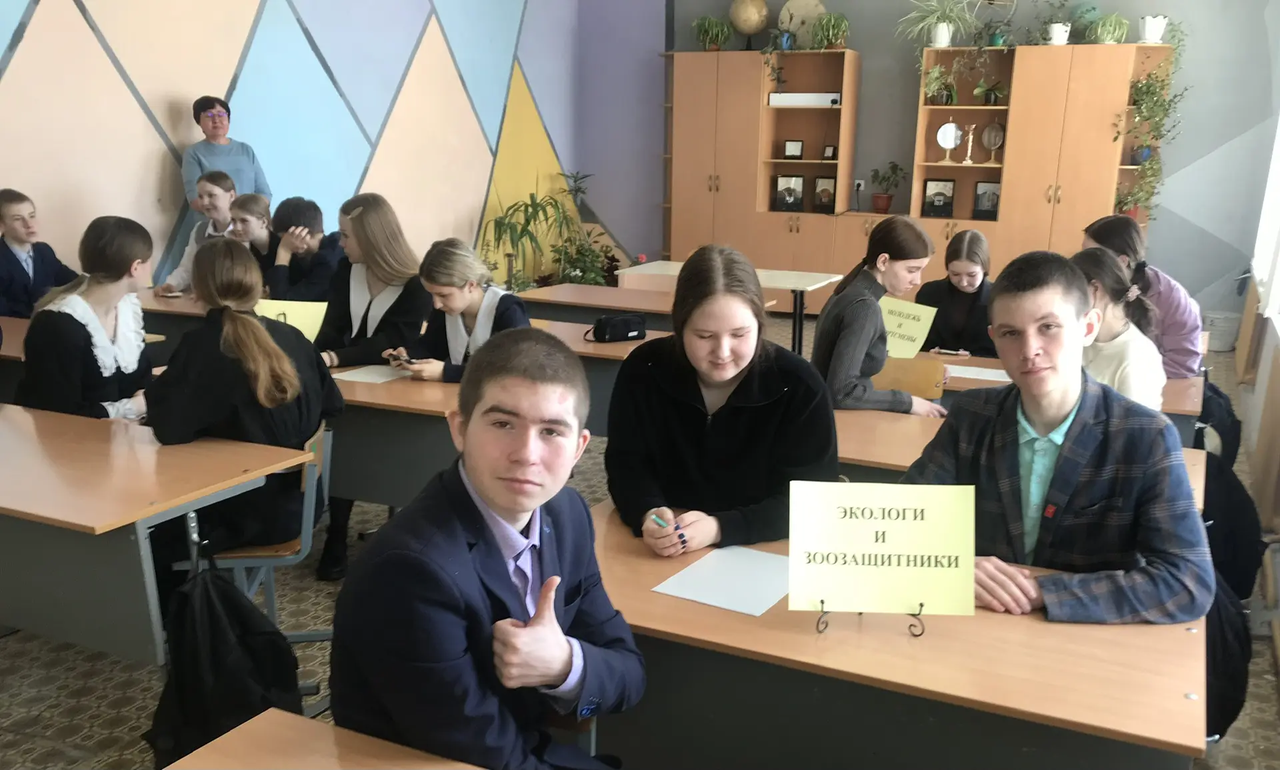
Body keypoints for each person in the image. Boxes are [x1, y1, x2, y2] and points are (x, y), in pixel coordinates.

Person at [330, 327, 645, 770]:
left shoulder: (567, 514)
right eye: (503, 424)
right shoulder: (409, 571)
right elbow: (481, 751)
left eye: (551, 431)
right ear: (459, 429)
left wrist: (563, 666)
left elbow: (630, 675)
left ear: (579, 449)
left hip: (524, 746)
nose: (526, 454)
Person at [903, 251, 1214, 624]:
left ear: (1088, 327)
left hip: (1081, 636)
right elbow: (902, 522)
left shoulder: (1146, 437)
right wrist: (952, 565)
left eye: (1048, 327)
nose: (1029, 350)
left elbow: (1187, 581)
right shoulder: (971, 415)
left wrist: (1042, 592)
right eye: (1010, 333)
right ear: (994, 338)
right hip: (980, 626)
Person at [145, 238, 343, 608]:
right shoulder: (292, 336)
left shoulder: (202, 346)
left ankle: (183, 628)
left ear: (198, 289)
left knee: (145, 533)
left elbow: (168, 430)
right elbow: (333, 404)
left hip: (248, 513)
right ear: (257, 283)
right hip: (303, 503)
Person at [605, 245, 838, 554]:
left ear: (760, 325)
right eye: (704, 336)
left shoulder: (799, 385)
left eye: (739, 334)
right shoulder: (643, 369)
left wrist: (719, 527)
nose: (723, 352)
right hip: (665, 548)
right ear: (680, 327)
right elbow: (626, 464)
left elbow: (811, 500)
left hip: (760, 550)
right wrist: (648, 511)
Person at [314, 193, 431, 581]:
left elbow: (391, 341)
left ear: (372, 236)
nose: (340, 242)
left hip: (395, 384)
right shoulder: (345, 271)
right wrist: (316, 358)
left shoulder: (415, 285)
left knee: (362, 443)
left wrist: (334, 358)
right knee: (343, 440)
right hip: (347, 382)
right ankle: (336, 534)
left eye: (346, 235)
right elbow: (330, 329)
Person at [811, 216, 947, 416]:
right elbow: (843, 393)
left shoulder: (850, 289)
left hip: (830, 412)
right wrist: (907, 402)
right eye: (912, 270)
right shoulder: (865, 307)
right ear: (883, 261)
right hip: (840, 419)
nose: (917, 280)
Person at [15, 217, 151, 418]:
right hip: (69, 435)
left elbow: (140, 380)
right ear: (136, 267)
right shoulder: (57, 324)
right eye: (149, 260)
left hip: (122, 433)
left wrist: (143, 399)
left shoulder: (127, 308)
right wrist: (133, 407)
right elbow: (58, 413)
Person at [383, 237, 530, 382]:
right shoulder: (445, 309)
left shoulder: (508, 309)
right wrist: (408, 356)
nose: (436, 304)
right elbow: (431, 346)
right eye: (431, 295)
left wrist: (446, 373)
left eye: (443, 295)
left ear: (470, 285)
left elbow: (515, 368)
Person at [1084, 215, 1202, 379]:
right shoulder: (1087, 287)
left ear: (1122, 261)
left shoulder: (1171, 297)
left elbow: (1182, 364)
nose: (1085, 261)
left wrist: (1125, 373)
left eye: (1094, 256)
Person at [1071, 246, 1166, 411]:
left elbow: (1134, 424)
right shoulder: (1080, 336)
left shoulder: (1137, 357)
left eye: (1072, 294)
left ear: (1096, 289)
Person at [229, 195, 340, 301]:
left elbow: (282, 302)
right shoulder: (330, 247)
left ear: (300, 233)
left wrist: (284, 251)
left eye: (283, 240)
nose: (282, 243)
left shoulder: (327, 261)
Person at [916, 229, 996, 357]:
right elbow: (918, 340)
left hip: (980, 367)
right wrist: (927, 351)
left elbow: (1002, 349)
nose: (963, 282)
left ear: (984, 268)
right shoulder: (929, 293)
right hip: (934, 364)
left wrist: (973, 357)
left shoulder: (999, 298)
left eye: (971, 275)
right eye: (955, 274)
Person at [181, 95, 271, 209]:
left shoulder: (245, 149)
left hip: (248, 217)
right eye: (209, 115)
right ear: (199, 122)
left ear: (228, 119)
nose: (216, 120)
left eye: (221, 114)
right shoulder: (193, 153)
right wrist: (231, 212)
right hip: (213, 219)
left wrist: (247, 211)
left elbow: (264, 193)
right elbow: (195, 199)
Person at [0, 188, 78, 318]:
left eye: (32, 216)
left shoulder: (44, 251)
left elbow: (73, 282)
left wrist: (99, 281)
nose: (29, 224)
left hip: (47, 324)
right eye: (18, 219)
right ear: (2, 225)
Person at [158, 171, 236, 294]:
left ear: (231, 196)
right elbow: (187, 268)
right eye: (200, 196)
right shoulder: (200, 229)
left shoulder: (243, 231)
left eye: (211, 195)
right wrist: (170, 285)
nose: (204, 202)